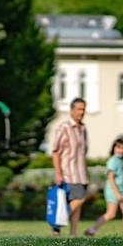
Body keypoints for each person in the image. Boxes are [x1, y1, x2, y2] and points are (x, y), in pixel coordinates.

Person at [51, 98, 90, 237]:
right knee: (79, 199)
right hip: (68, 173)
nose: (81, 112)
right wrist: (58, 173)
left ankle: (72, 235)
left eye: (83, 109)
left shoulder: (83, 129)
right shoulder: (64, 128)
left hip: (81, 174)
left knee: (77, 205)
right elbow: (55, 151)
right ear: (72, 110)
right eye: (79, 109)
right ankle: (57, 222)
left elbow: (83, 152)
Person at [85, 138, 123, 238]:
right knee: (111, 214)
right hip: (112, 190)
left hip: (122, 189)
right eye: (118, 147)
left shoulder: (121, 161)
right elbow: (110, 178)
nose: (120, 150)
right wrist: (117, 194)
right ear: (113, 149)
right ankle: (92, 230)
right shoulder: (112, 161)